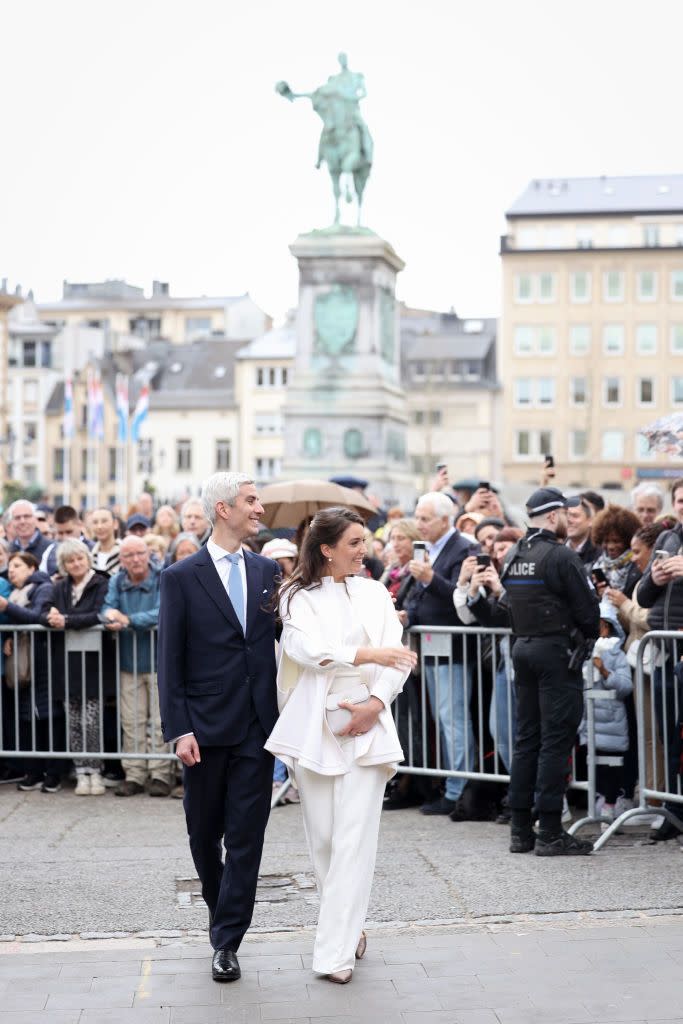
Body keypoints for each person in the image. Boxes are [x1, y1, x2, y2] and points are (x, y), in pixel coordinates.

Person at [265, 507, 415, 984]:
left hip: (369, 723)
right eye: (353, 542)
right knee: (326, 839)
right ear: (326, 548)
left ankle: (333, 954)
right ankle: (349, 926)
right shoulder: (296, 596)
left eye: (364, 540)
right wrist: (365, 654)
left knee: (355, 839)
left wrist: (376, 701)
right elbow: (306, 650)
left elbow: (400, 655)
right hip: (315, 722)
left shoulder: (375, 591)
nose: (363, 549)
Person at [157, 472, 280, 985]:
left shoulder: (269, 570)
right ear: (223, 509)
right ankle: (218, 907)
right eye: (252, 501)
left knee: (247, 837)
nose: (260, 510)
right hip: (204, 730)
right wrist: (178, 729)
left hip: (257, 725)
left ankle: (227, 939)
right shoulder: (181, 577)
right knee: (204, 835)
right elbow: (170, 660)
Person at [503, 487, 600, 856]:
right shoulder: (560, 556)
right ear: (552, 515)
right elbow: (589, 614)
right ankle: (549, 832)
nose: (566, 519)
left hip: (523, 648)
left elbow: (504, 604)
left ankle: (519, 830)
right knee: (555, 742)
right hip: (555, 653)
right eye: (563, 512)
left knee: (527, 739)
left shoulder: (515, 554)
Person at [403, 491, 480, 815]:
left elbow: (463, 599)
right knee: (444, 720)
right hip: (433, 646)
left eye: (425, 518)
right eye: (417, 517)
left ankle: (459, 789)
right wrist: (408, 613)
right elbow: (421, 595)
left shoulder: (465, 548)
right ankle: (452, 785)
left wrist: (432, 578)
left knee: (454, 720)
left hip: (454, 648)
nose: (418, 524)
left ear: (445, 520)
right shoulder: (430, 549)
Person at [100, 535, 172, 797]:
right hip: (128, 662)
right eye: (129, 555)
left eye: (140, 553)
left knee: (159, 722)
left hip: (158, 662)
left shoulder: (164, 577)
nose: (136, 559)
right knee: (131, 722)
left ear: (148, 554)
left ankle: (161, 775)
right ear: (122, 559)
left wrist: (128, 620)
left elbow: (162, 612)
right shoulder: (117, 580)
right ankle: (134, 774)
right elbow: (107, 607)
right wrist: (111, 616)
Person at [42, 539, 112, 796]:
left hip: (93, 663)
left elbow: (98, 613)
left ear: (87, 558)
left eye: (80, 558)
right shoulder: (59, 586)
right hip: (66, 663)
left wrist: (67, 619)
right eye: (70, 560)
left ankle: (96, 770)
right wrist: (51, 617)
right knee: (74, 721)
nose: (76, 563)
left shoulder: (101, 582)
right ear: (64, 564)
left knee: (92, 720)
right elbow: (45, 611)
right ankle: (81, 770)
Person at [636, 476, 683, 841]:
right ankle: (673, 807)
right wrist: (653, 577)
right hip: (665, 651)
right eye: (680, 500)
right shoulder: (668, 538)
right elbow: (643, 595)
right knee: (670, 735)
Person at [0, 552, 62, 792]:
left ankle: (53, 773)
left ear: (32, 567)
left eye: (17, 565)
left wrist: (8, 606)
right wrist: (9, 637)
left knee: (48, 717)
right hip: (23, 662)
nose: (11, 570)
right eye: (10, 566)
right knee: (27, 718)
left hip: (42, 661)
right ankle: (33, 771)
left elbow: (38, 617)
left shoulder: (42, 587)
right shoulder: (18, 590)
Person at [578, 601, 633, 827]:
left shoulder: (617, 654)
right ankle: (596, 801)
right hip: (588, 723)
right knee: (591, 764)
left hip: (610, 723)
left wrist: (604, 670)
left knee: (611, 767)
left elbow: (626, 686)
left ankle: (610, 805)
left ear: (607, 627)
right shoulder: (582, 650)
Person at [590, 505, 641, 596]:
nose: (610, 546)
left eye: (616, 541)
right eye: (606, 541)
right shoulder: (595, 566)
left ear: (628, 540)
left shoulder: (638, 566)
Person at [39, 505, 93, 577]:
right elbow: (43, 577)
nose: (65, 537)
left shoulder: (94, 549)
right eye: (60, 533)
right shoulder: (50, 551)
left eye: (69, 532)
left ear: (79, 525)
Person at [565, 498, 599, 567]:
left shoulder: (599, 554)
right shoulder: (556, 550)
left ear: (590, 521)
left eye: (575, 516)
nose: (569, 520)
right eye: (566, 515)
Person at [90, 507, 121, 576]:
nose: (99, 526)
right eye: (95, 522)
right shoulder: (89, 556)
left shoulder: (124, 552)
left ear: (115, 524)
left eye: (104, 521)